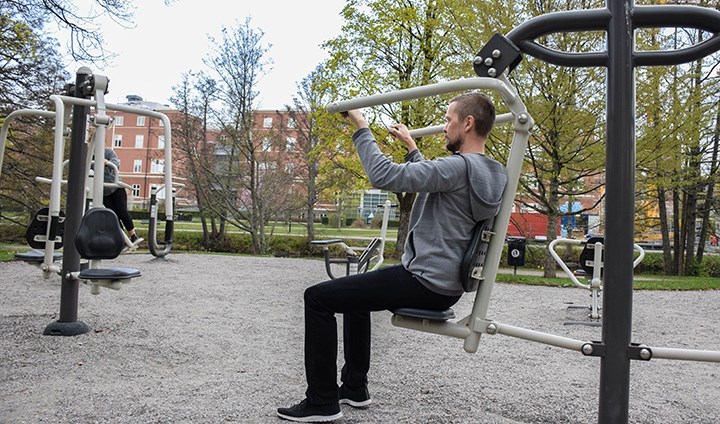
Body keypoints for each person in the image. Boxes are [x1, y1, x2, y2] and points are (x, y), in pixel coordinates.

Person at [276, 92, 508, 422]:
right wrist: (413, 148)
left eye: (448, 119)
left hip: (423, 280)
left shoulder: (456, 167)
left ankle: (322, 401)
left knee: (317, 298)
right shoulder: (492, 172)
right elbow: (437, 179)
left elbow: (383, 175)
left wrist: (360, 125)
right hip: (445, 283)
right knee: (355, 294)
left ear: (467, 123)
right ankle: (355, 388)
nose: (444, 127)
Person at [102, 148, 142, 245]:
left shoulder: (107, 152)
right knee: (113, 216)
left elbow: (116, 162)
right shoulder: (89, 155)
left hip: (116, 187)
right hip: (103, 191)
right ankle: (123, 240)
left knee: (122, 212)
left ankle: (133, 236)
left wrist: (107, 162)